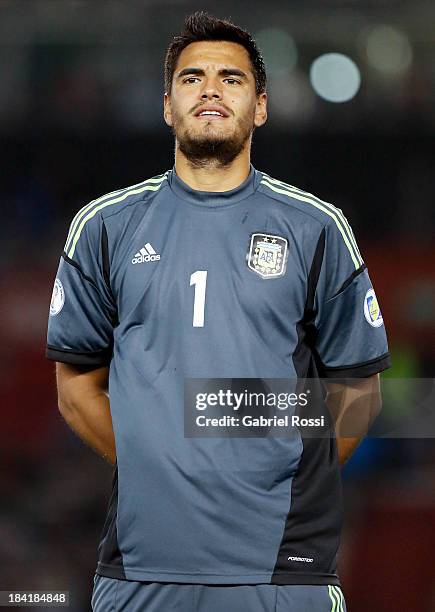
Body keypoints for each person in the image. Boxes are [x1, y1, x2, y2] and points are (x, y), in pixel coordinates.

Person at [46, 10, 391, 611]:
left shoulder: (317, 229)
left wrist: (283, 481)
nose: (209, 88)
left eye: (231, 79)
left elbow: (359, 388)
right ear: (167, 106)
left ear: (260, 106)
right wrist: (160, 470)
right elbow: (76, 386)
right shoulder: (104, 229)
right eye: (191, 78)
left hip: (283, 574)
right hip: (142, 569)